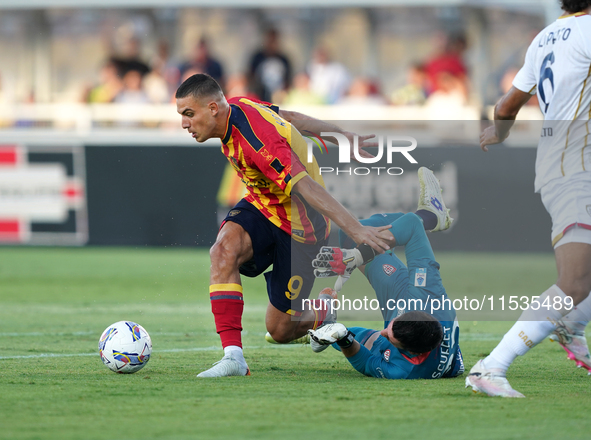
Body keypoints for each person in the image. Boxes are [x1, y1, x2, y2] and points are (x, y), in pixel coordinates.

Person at [175, 73, 398, 377]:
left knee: (280, 330)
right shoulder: (238, 105)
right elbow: (290, 117)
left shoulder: (258, 143)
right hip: (264, 206)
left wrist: (355, 229)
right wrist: (340, 133)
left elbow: (307, 188)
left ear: (213, 108)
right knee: (222, 249)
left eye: (189, 114)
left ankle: (322, 313)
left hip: (301, 229)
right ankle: (234, 358)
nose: (185, 123)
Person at [466, 0, 591, 398]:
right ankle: (491, 366)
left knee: (579, 280)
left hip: (561, 164)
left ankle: (572, 323)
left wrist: (499, 133)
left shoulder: (543, 39)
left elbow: (506, 105)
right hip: (578, 169)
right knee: (573, 281)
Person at [308, 169, 463, 380]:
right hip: (407, 295)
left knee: (356, 338)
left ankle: (319, 327)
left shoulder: (403, 371)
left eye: (390, 336)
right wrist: (359, 255)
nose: (383, 331)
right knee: (353, 233)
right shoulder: (429, 295)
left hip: (408, 314)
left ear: (412, 353)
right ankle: (432, 216)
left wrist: (343, 338)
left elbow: (367, 362)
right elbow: (411, 225)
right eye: (390, 329)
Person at [248, 28, 292, 102]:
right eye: (270, 41)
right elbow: (251, 76)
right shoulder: (258, 58)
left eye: (274, 41)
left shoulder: (283, 60)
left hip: (279, 97)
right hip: (260, 96)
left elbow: (288, 80)